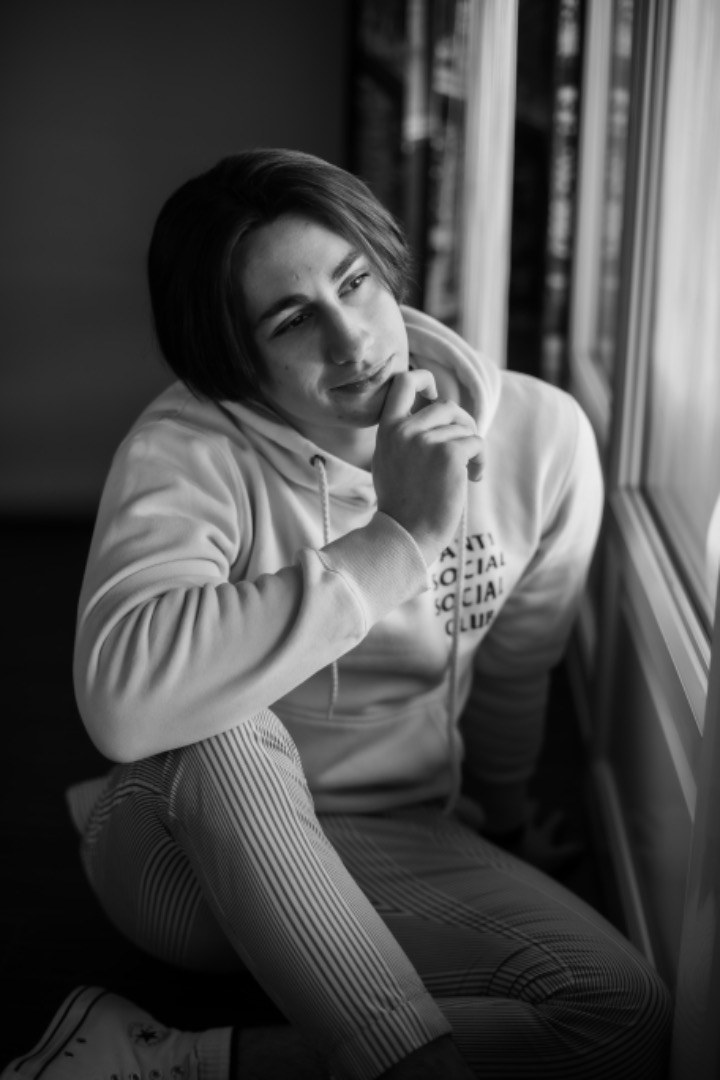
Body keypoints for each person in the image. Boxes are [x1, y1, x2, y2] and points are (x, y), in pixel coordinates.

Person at [2, 149, 671, 1080]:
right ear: (231, 356)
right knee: (223, 723)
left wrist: (509, 824)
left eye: (355, 282)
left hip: (395, 838)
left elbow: (516, 666)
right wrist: (399, 537)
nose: (353, 341)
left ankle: (176, 1063)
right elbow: (125, 704)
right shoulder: (185, 448)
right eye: (292, 320)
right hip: (185, 860)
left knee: (623, 1014)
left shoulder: (541, 435)